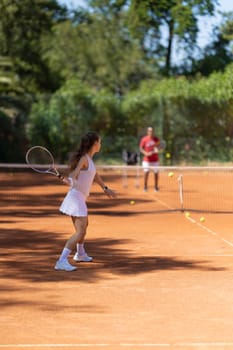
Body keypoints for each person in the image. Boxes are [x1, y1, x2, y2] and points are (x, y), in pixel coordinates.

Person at [55, 131, 116, 271]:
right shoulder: (84, 159)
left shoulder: (90, 159)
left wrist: (105, 188)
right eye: (99, 142)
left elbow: (95, 174)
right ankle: (61, 261)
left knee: (84, 226)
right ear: (94, 144)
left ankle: (80, 254)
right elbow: (74, 174)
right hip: (75, 198)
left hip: (80, 197)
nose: (101, 144)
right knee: (80, 232)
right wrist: (70, 180)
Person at [139, 126, 160, 192]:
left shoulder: (156, 139)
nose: (151, 132)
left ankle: (156, 187)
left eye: (152, 131)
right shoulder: (144, 139)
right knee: (146, 173)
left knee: (156, 173)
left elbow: (159, 147)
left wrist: (157, 149)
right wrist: (146, 153)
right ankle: (145, 187)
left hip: (155, 160)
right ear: (147, 132)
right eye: (149, 131)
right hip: (146, 160)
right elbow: (141, 148)